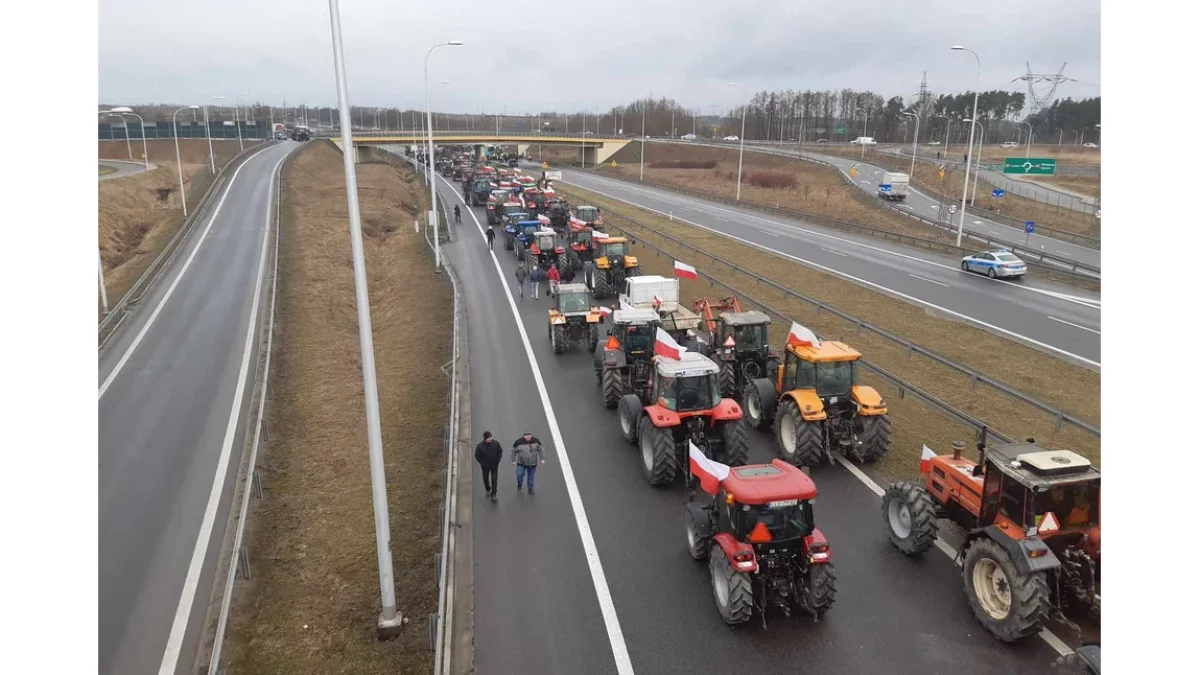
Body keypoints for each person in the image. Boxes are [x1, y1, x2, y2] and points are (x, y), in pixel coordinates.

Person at [475, 431, 503, 502]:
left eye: (491, 437)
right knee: (485, 478)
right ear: (485, 439)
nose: (490, 439)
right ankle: (488, 489)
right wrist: (482, 463)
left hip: (494, 465)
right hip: (485, 466)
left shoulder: (496, 443)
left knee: (494, 479)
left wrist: (498, 460)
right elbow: (477, 456)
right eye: (489, 438)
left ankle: (494, 494)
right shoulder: (480, 446)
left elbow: (500, 451)